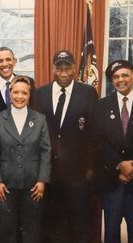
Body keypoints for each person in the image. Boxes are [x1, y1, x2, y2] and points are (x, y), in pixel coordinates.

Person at [33, 50, 98, 243]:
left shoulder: (88, 93)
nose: (63, 73)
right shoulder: (40, 93)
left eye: (67, 68)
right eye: (59, 68)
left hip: (78, 174)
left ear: (74, 69)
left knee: (79, 223)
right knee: (51, 223)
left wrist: (90, 170)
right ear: (52, 69)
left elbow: (94, 134)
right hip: (48, 173)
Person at [93, 60, 133, 243]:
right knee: (111, 231)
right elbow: (98, 142)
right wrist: (119, 165)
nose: (121, 80)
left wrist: (131, 167)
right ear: (112, 81)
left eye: (125, 75)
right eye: (116, 77)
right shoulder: (101, 106)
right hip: (112, 179)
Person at [0, 76, 51, 243]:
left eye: (24, 93)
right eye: (16, 92)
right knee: (6, 231)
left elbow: (46, 152)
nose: (19, 96)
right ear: (10, 93)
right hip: (5, 186)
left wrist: (42, 180)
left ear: (29, 95)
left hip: (33, 186)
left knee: (31, 231)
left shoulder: (39, 119)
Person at [0, 46, 36, 112]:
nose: (5, 64)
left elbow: (35, 111)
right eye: (0, 61)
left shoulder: (28, 83)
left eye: (8, 59)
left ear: (14, 61)